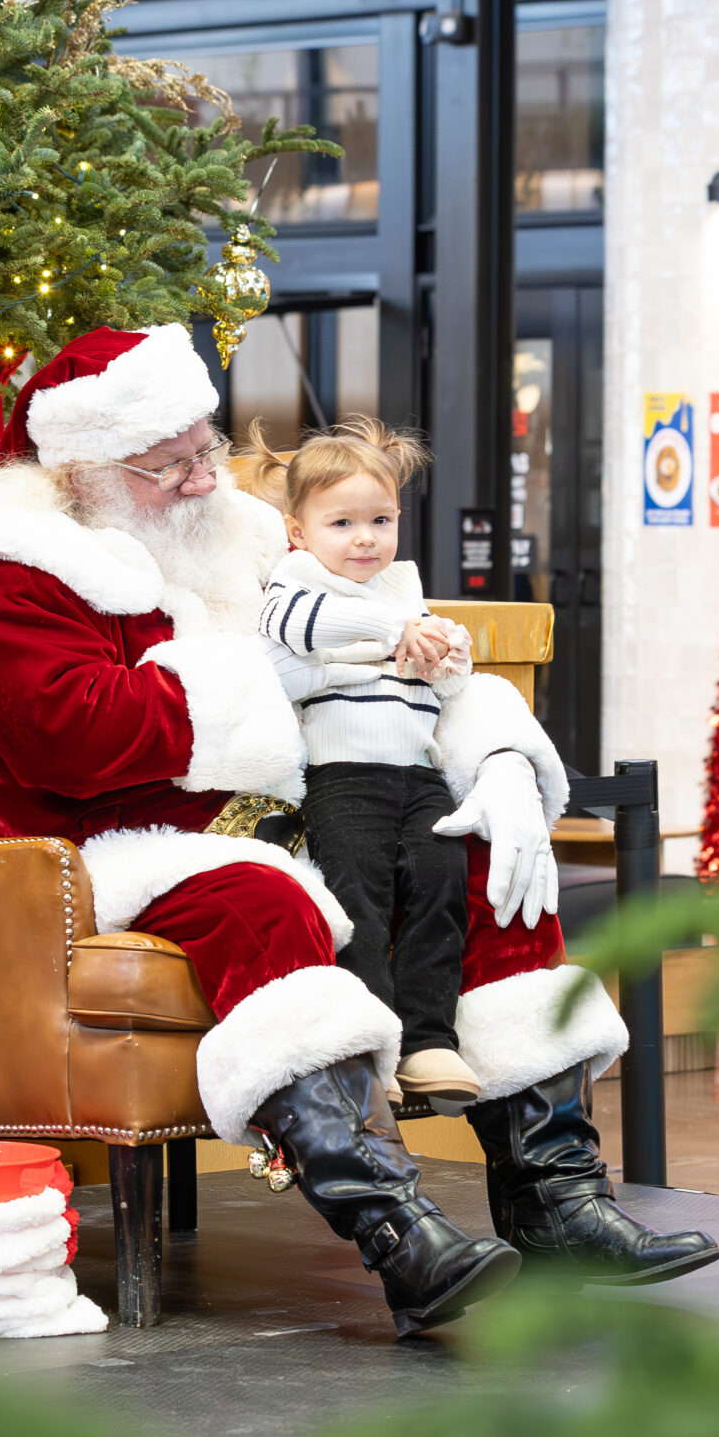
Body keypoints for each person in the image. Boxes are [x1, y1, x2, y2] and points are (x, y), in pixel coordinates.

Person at [0, 324, 719, 1337]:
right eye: (167, 464)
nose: (200, 480)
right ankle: (396, 1233)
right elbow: (75, 739)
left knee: (479, 851)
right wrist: (269, 680)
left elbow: (401, 652)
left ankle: (557, 1196)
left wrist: (503, 764)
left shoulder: (249, 543)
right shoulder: (16, 580)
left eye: (206, 450)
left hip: (292, 817)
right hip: (107, 854)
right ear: (83, 472)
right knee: (259, 901)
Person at [239, 418, 487, 1112]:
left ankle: (429, 1039)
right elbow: (301, 628)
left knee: (441, 885)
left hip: (418, 772)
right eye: (342, 522)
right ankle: (370, 1040)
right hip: (344, 775)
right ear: (299, 532)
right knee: (360, 902)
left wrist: (446, 648)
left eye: (381, 519)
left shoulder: (403, 590)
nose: (365, 538)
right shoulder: (294, 584)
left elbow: (449, 680)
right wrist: (394, 630)